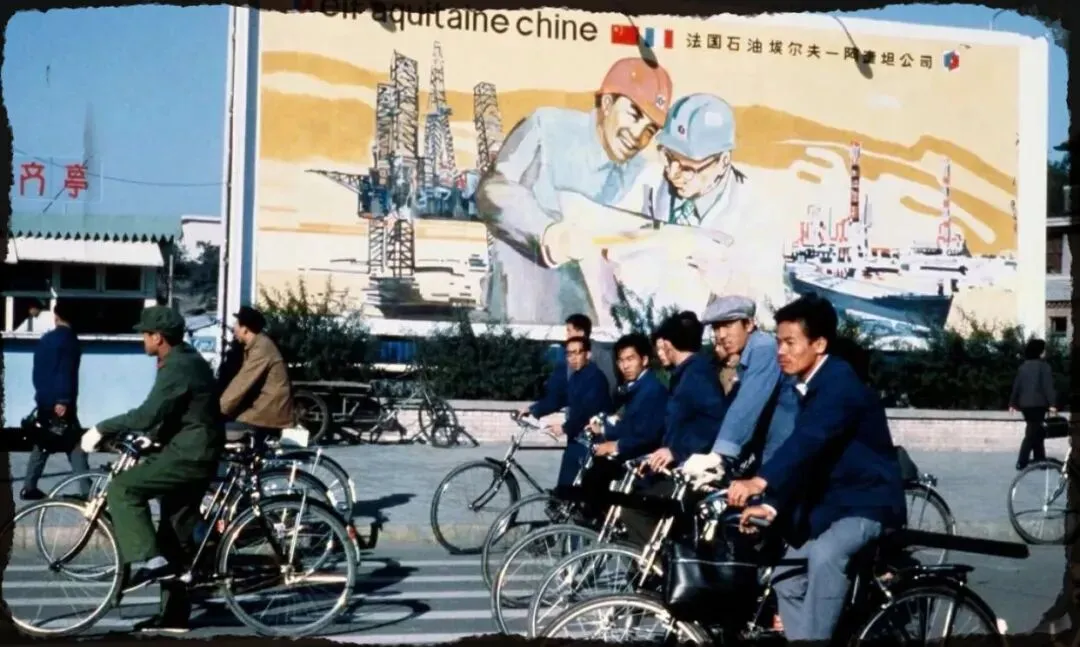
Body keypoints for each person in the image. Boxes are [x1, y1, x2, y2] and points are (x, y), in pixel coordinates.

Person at [730, 294, 906, 644]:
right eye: (778, 342)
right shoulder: (809, 386)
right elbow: (807, 460)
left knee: (826, 556)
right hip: (833, 507)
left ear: (819, 344)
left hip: (866, 504)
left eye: (790, 342)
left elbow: (808, 441)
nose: (781, 351)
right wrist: (770, 506)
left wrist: (760, 481)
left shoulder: (839, 384)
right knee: (786, 577)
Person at [476, 57, 673, 325]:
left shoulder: (643, 172)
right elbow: (493, 189)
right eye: (634, 115)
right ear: (607, 104)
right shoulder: (546, 127)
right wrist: (548, 233)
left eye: (650, 129)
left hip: (597, 324)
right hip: (524, 311)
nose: (638, 136)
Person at [80, 306, 224, 633]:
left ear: (158, 337)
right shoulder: (185, 359)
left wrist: (101, 427)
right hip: (195, 450)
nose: (142, 339)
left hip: (189, 454)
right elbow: (174, 412)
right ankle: (174, 616)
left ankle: (149, 560)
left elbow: (147, 414)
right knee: (174, 533)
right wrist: (152, 438)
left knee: (123, 488)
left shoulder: (178, 366)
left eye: (144, 334)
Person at [618, 94, 786, 318]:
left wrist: (730, 284)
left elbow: (773, 310)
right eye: (668, 157)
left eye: (688, 167)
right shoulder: (648, 184)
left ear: (723, 162)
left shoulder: (757, 213)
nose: (673, 173)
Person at [621, 311, 726, 547]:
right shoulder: (686, 374)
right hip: (680, 467)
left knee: (634, 510)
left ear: (668, 344)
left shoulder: (696, 374)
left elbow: (715, 422)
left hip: (694, 473)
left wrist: (676, 451)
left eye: (660, 347)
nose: (659, 353)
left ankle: (659, 565)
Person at [682, 296, 796, 483]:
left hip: (786, 452)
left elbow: (747, 404)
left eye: (728, 325)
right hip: (770, 450)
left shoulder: (764, 348)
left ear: (749, 324)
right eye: (716, 327)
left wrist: (719, 455)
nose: (721, 335)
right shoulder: (748, 354)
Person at [523, 335, 612, 487]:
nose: (573, 358)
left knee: (576, 490)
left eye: (577, 353)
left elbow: (586, 411)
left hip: (591, 443)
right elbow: (558, 399)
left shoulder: (595, 378)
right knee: (564, 488)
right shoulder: (576, 377)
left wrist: (565, 427)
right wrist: (532, 409)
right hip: (576, 439)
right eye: (569, 354)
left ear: (588, 354)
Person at [21, 300, 89, 500]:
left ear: (56, 316)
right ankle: (87, 490)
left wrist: (42, 396)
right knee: (75, 444)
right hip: (61, 403)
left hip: (44, 400)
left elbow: (38, 372)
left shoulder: (46, 339)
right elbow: (65, 372)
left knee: (44, 442)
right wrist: (63, 399)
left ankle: (29, 487)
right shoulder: (69, 340)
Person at [589, 332, 668, 461]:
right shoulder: (638, 386)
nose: (625, 366)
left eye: (630, 359)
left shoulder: (652, 390)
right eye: (621, 361)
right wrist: (604, 428)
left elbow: (647, 436)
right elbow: (630, 426)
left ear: (644, 360)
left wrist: (615, 446)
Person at [219, 306, 295, 438]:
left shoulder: (261, 348)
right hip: (264, 406)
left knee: (226, 431)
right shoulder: (256, 345)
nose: (234, 329)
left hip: (269, 411)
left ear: (245, 329)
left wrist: (218, 408)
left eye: (236, 325)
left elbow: (242, 382)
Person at [1009, 338, 1058, 470]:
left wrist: (1012, 402)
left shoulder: (1023, 366)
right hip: (1038, 404)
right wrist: (1052, 404)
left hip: (1025, 405)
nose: (1045, 352)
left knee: (1037, 431)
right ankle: (1022, 461)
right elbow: (1048, 387)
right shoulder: (1044, 367)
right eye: (1044, 350)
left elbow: (1017, 385)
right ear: (1040, 351)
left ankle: (1040, 459)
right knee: (1032, 433)